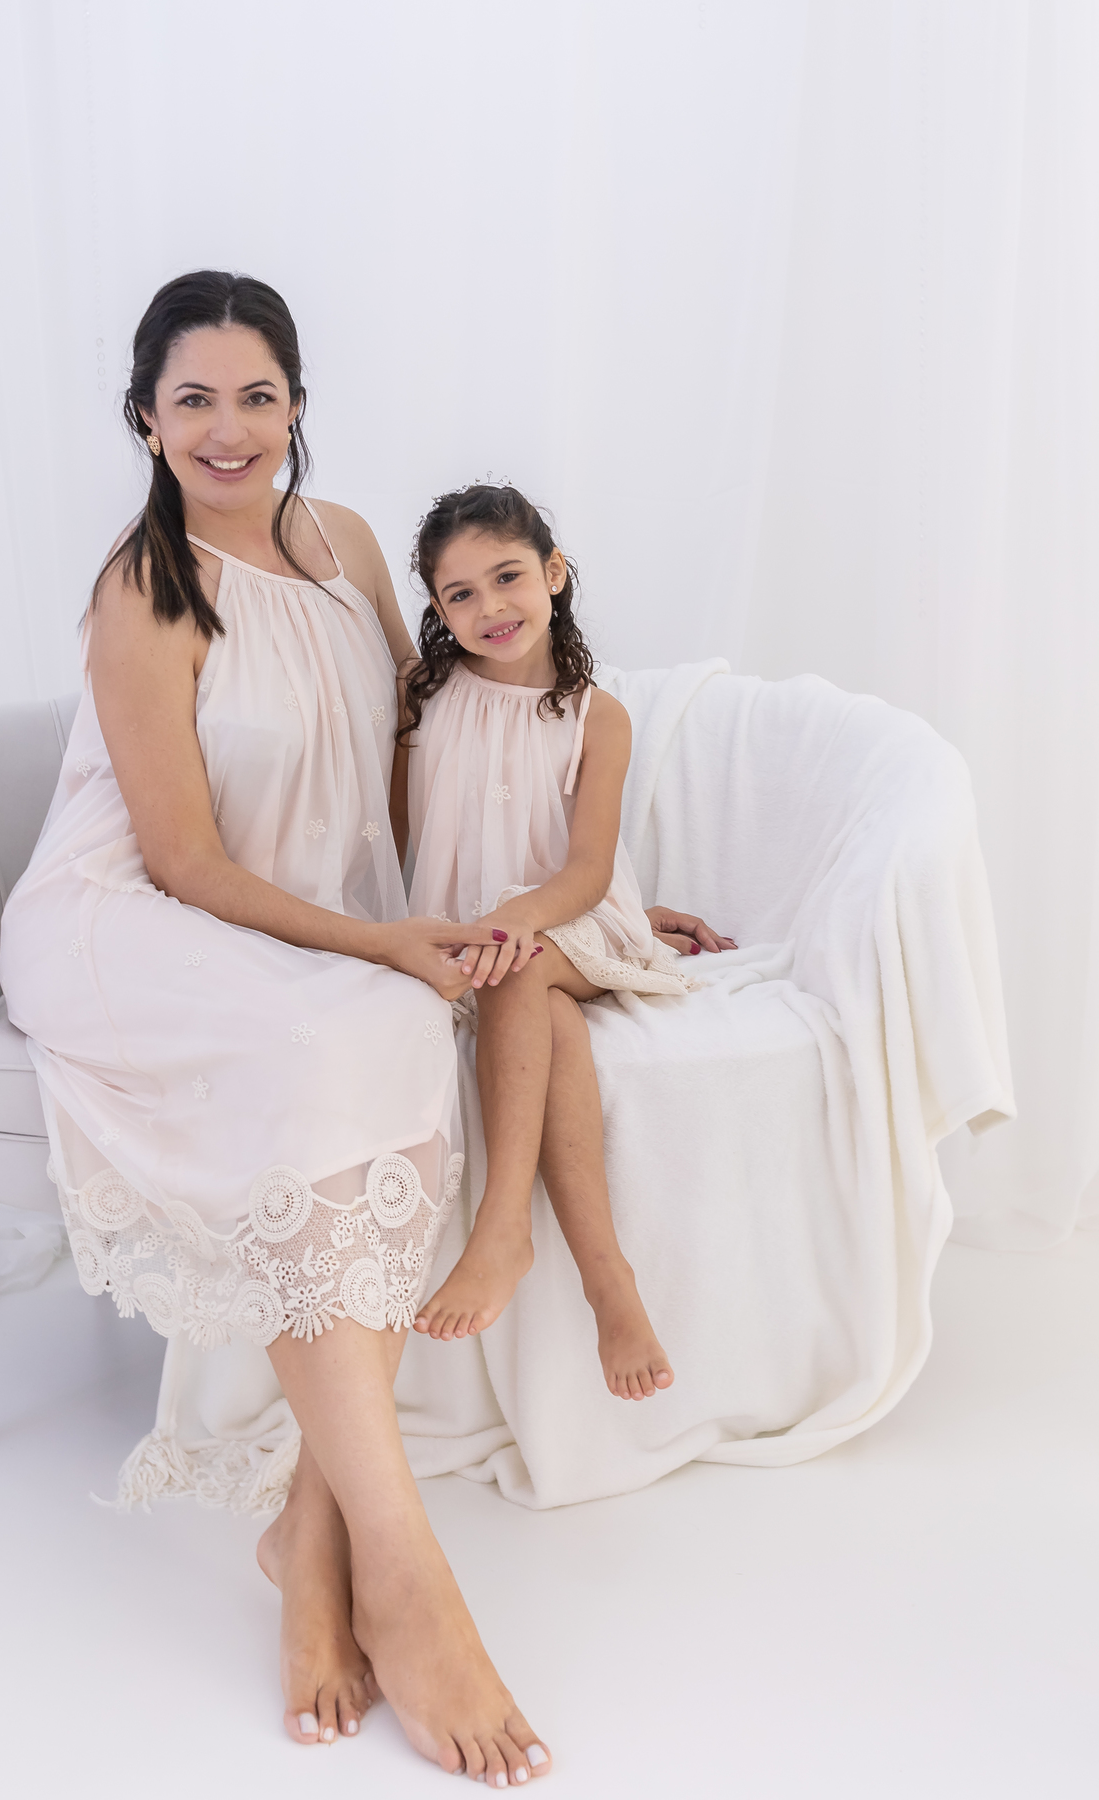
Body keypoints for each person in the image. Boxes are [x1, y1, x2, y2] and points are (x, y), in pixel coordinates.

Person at [0, 273, 551, 1784]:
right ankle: (401, 1571)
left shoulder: (350, 545)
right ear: (145, 419)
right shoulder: (145, 587)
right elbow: (179, 862)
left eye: (258, 396)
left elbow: (399, 757)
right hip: (132, 920)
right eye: (195, 401)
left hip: (305, 909)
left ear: (299, 404)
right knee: (342, 1041)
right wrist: (379, 943)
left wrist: (567, 897)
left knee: (385, 1039)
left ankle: (307, 1538)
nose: (230, 429)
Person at [404, 485, 736, 1399]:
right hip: (482, 937)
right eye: (459, 594)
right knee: (536, 1009)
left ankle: (503, 1226)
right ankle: (609, 1283)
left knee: (518, 970)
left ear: (553, 573)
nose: (489, 607)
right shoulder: (422, 702)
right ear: (438, 612)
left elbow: (587, 872)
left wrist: (522, 920)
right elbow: (396, 836)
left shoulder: (598, 717)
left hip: (563, 924)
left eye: (507, 577)